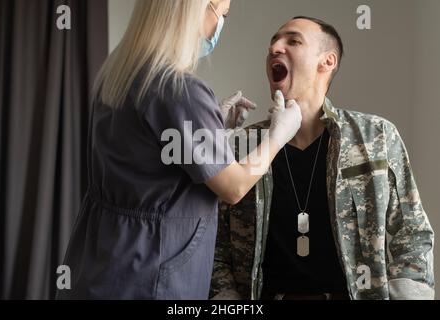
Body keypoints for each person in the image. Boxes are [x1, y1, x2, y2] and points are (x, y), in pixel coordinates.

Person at [56, 0, 302, 300]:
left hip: (100, 262)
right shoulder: (180, 89)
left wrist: (209, 130)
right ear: (199, 10)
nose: (219, 26)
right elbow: (234, 187)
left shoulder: (120, 74)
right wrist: (277, 135)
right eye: (222, 15)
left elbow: (147, 154)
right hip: (148, 272)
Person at [210, 16, 435, 300]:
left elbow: (412, 234)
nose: (275, 48)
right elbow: (215, 246)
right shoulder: (243, 146)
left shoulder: (377, 136)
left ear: (327, 61)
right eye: (272, 43)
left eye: (293, 41)